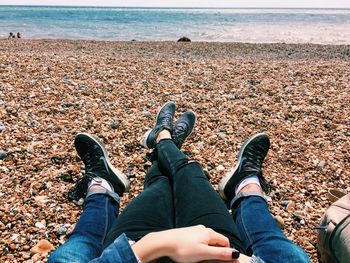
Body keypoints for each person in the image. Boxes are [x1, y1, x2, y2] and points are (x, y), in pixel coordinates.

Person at [48, 102, 310, 263]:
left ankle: (109, 180)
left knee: (79, 247)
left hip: (136, 247)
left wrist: (152, 247)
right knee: (276, 246)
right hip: (218, 249)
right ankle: (245, 185)